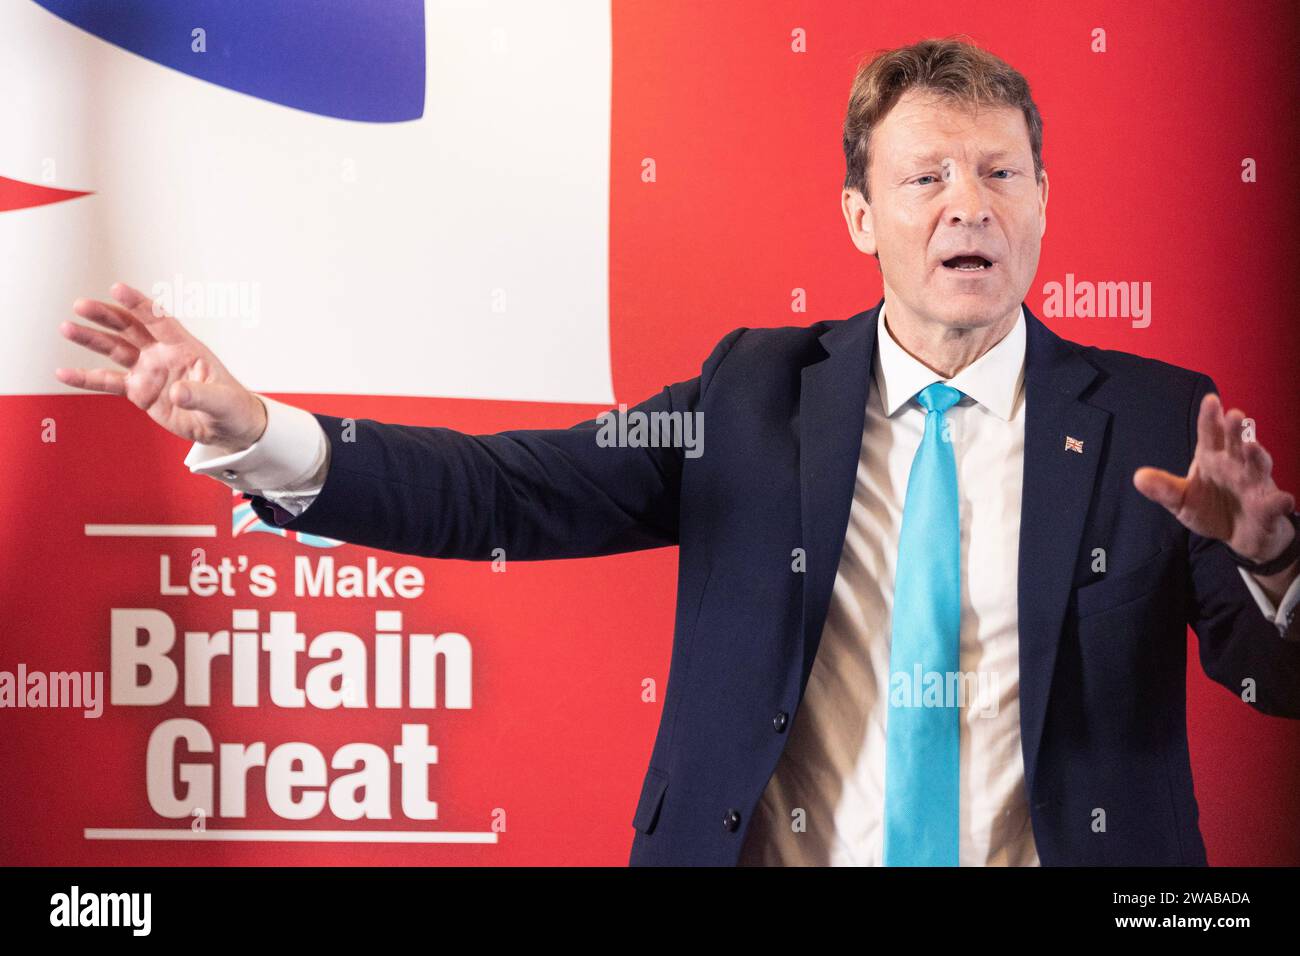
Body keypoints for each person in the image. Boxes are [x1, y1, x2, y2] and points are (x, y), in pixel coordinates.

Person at [54, 37, 1300, 866]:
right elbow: (510, 489)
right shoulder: (754, 396)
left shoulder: (1155, 420)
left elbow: (1275, 679)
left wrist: (1273, 562)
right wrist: (261, 431)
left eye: (998, 172)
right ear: (861, 216)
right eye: (925, 176)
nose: (968, 203)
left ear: (1041, 201)